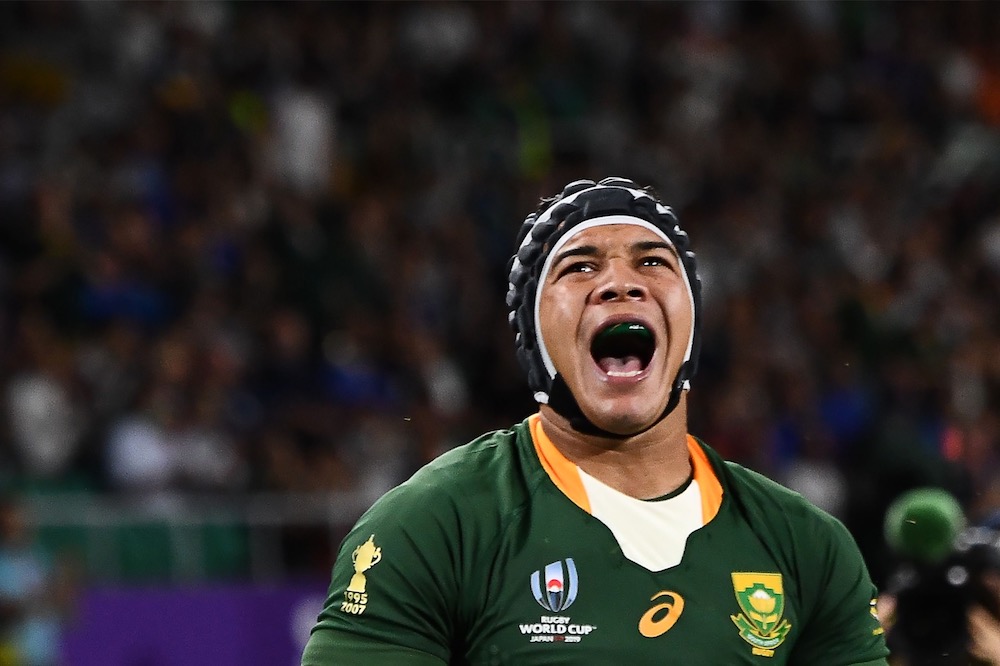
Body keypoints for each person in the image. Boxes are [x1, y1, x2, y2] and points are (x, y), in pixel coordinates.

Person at [301, 177, 889, 664]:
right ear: (536, 336)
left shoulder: (808, 547)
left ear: (690, 328)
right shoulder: (433, 525)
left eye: (652, 261)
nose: (620, 282)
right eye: (579, 267)